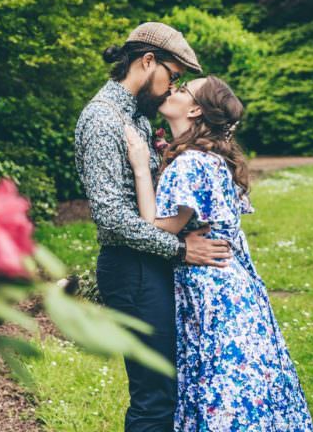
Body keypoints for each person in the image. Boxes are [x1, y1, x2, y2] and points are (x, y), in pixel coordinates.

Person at [124, 75, 313, 431]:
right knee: (242, 387)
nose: (173, 90)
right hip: (235, 287)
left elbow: (154, 226)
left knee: (222, 391)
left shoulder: (191, 162)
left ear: (195, 109)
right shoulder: (210, 157)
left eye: (183, 90)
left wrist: (139, 166)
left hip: (213, 292)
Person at [75, 21, 233, 432]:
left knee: (170, 389)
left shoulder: (138, 117)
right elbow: (111, 216)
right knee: (154, 398)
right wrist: (181, 250)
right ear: (148, 62)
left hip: (151, 264)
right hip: (131, 269)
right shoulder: (101, 119)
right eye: (173, 77)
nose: (170, 89)